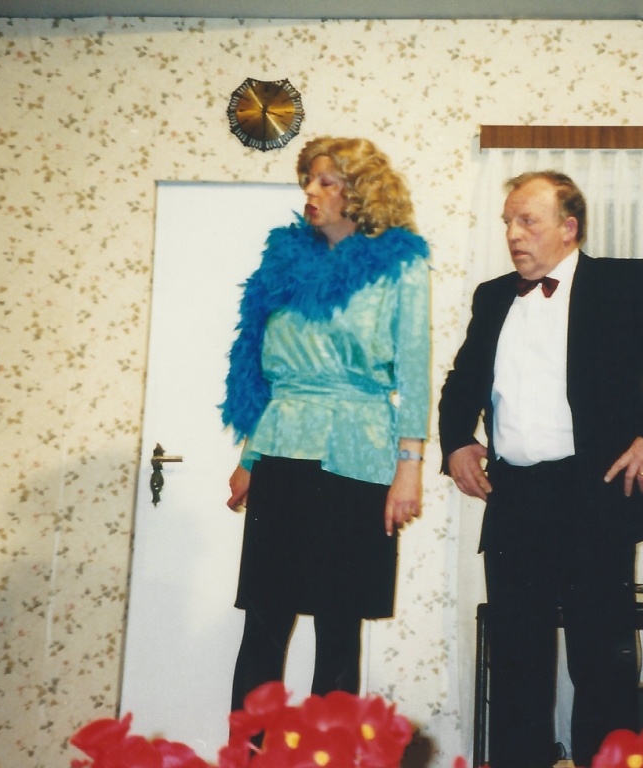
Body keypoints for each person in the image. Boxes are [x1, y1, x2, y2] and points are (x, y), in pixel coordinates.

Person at [439, 171, 643, 767]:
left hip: (593, 497)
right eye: (508, 222)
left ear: (568, 228)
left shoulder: (622, 282)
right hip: (514, 499)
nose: (513, 234)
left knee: (600, 664)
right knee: (515, 665)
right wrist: (456, 442)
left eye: (528, 221)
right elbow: (462, 383)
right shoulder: (492, 297)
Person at [221, 137, 430, 712]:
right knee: (264, 622)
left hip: (356, 454)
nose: (310, 192)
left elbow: (414, 369)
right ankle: (247, 752)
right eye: (308, 181)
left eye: (326, 181)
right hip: (281, 448)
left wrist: (409, 468)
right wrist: (249, 456)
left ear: (359, 193)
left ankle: (329, 752)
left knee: (339, 625)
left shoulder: (400, 265)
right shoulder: (283, 261)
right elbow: (260, 369)